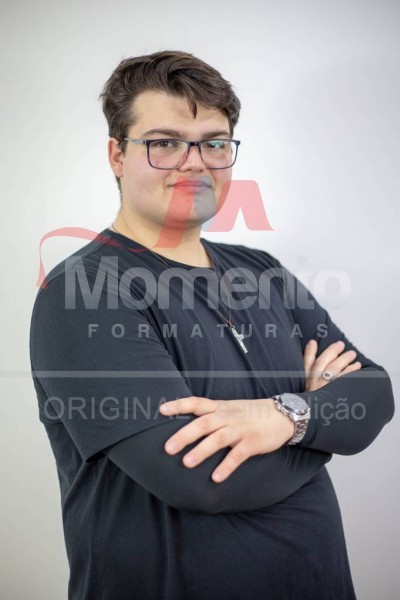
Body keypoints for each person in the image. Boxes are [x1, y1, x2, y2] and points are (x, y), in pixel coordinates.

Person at [29, 50, 395, 600]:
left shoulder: (262, 271)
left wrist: (280, 419)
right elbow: (201, 480)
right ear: (117, 154)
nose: (195, 162)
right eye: (165, 143)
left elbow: (375, 394)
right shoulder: (85, 292)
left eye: (214, 143)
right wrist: (314, 419)